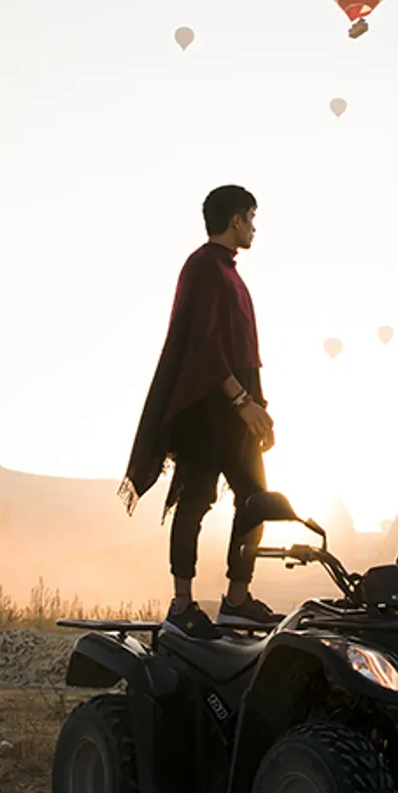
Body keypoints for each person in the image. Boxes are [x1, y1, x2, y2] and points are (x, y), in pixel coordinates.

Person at [119, 185, 278, 639]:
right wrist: (242, 403)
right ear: (234, 220)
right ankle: (182, 605)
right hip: (208, 409)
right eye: (251, 217)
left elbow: (247, 353)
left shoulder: (230, 274)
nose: (254, 227)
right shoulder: (204, 268)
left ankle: (237, 601)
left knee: (256, 500)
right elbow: (204, 349)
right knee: (196, 501)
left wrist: (259, 409)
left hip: (238, 409)